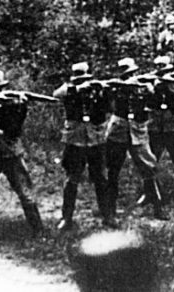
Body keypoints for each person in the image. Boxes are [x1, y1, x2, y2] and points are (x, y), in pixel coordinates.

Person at [0, 70, 44, 237]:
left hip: (10, 151)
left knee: (24, 191)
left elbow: (16, 128)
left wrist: (21, 106)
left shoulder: (14, 102)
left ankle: (38, 229)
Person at [53, 62, 117, 230]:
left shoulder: (98, 90)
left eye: (85, 78)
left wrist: (105, 91)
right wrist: (78, 88)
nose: (83, 81)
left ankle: (108, 215)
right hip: (75, 140)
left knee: (101, 179)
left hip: (95, 140)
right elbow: (56, 94)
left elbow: (110, 109)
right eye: (79, 79)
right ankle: (66, 218)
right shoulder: (69, 89)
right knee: (72, 179)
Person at [105, 58, 169, 220]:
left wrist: (151, 90)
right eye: (127, 74)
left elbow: (155, 103)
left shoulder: (144, 87)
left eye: (132, 73)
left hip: (138, 131)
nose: (131, 76)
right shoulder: (115, 88)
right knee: (113, 170)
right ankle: (109, 210)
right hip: (119, 130)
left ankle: (158, 206)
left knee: (149, 167)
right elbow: (107, 104)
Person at [147, 56, 174, 202]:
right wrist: (152, 89)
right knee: (150, 161)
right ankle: (150, 193)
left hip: (173, 126)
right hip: (156, 126)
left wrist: (173, 86)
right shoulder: (150, 82)